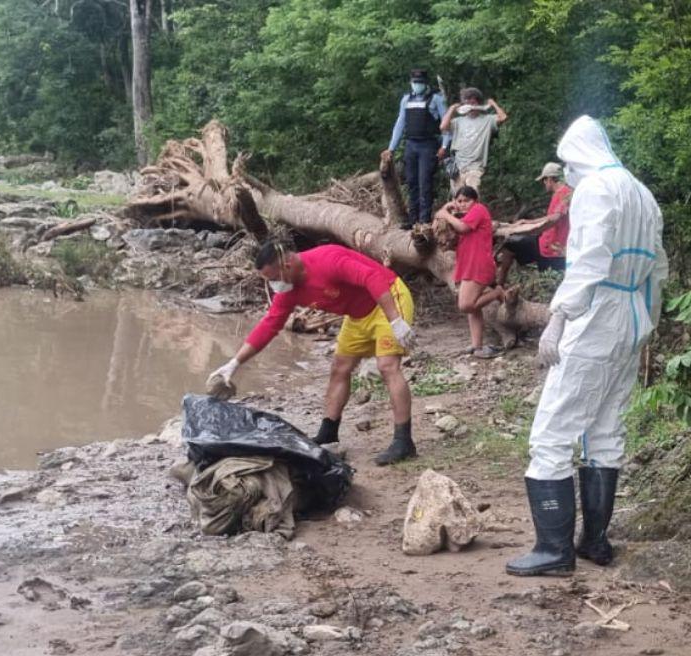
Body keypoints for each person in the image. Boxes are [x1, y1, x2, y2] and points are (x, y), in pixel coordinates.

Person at [506, 116, 668, 576]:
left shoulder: (597, 188)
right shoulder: (641, 192)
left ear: (576, 153)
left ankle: (553, 551)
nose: (569, 175)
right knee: (604, 430)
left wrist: (559, 317)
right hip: (632, 312)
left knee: (553, 432)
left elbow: (590, 258)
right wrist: (647, 323)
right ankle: (594, 541)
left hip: (596, 313)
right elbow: (659, 267)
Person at [206, 240, 419, 466]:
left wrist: (395, 320)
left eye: (274, 278)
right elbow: (269, 325)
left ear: (287, 264)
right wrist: (234, 363)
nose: (274, 286)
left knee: (387, 366)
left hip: (388, 298)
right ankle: (328, 432)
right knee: (339, 368)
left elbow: (372, 278)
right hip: (357, 316)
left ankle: (403, 441)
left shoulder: (327, 260)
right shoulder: (289, 291)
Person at [434, 186, 501, 358]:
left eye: (466, 200)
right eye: (460, 201)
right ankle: (476, 346)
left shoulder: (479, 210)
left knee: (465, 305)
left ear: (475, 200)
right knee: (472, 310)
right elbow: (438, 220)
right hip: (468, 264)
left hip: (478, 264)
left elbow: (463, 228)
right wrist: (447, 208)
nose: (463, 204)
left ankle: (497, 292)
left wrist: (447, 214)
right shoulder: (463, 215)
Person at [382, 68, 451, 228]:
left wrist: (444, 145)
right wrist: (391, 148)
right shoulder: (406, 99)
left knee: (425, 182)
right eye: (414, 82)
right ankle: (412, 220)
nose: (417, 85)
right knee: (412, 182)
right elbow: (400, 124)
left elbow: (446, 124)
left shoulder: (436, 99)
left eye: (419, 82)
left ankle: (424, 219)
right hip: (411, 144)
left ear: (425, 83)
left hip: (428, 145)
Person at [496, 161, 572, 285]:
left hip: (552, 249)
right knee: (510, 245)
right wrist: (528, 222)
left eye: (544, 180)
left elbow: (555, 218)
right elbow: (550, 217)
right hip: (544, 241)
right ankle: (500, 283)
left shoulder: (565, 193)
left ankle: (501, 284)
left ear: (550, 179)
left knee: (550, 283)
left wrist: (532, 229)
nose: (544, 183)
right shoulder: (558, 194)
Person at [440, 88, 508, 194]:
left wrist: (493, 103)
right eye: (467, 102)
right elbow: (443, 126)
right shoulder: (458, 121)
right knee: (458, 199)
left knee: (472, 195)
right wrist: (452, 109)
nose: (470, 106)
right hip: (458, 167)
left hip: (475, 167)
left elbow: (503, 117)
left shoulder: (487, 120)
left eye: (473, 102)